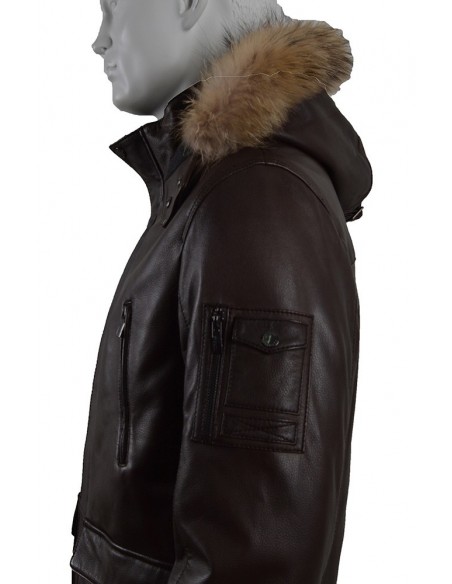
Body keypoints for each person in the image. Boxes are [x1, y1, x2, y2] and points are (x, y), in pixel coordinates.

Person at [70, 1, 373, 583]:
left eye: (113, 8)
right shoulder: (211, 188)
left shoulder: (258, 200)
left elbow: (256, 554)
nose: (100, 40)